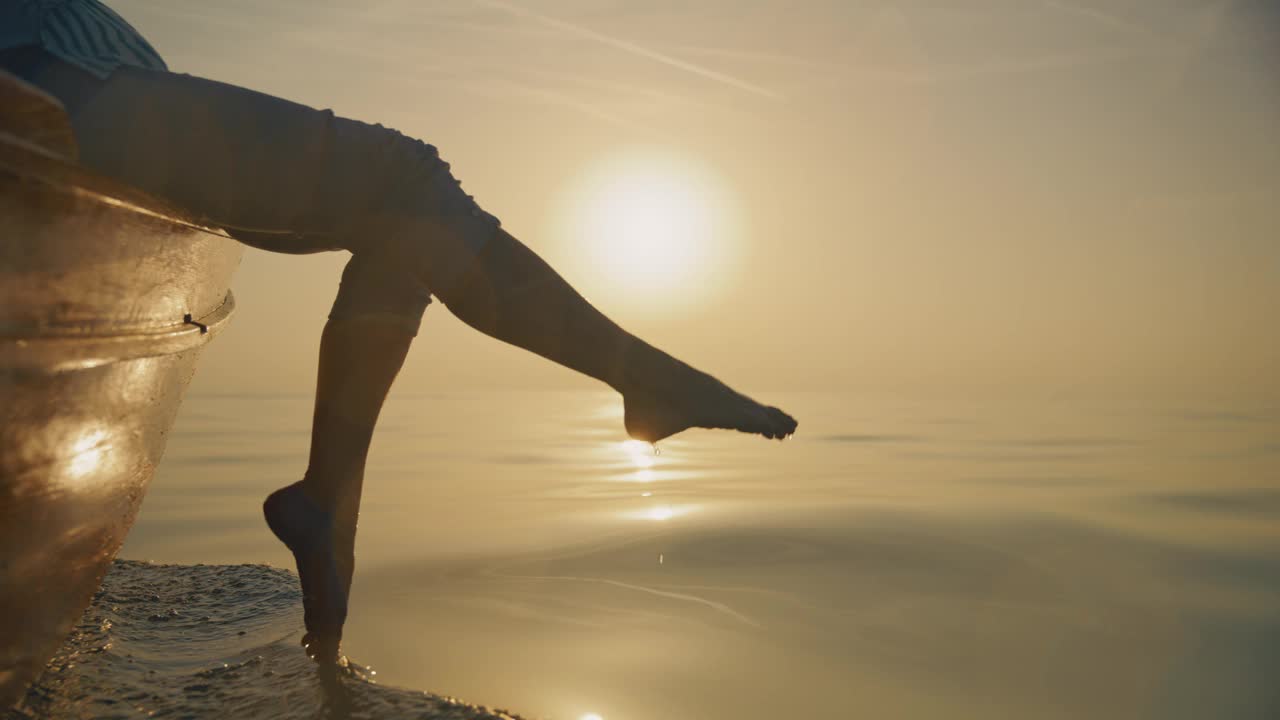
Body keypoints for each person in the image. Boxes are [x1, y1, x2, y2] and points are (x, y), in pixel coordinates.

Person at [0, 0, 798, 662]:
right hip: (43, 75)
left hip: (70, 80)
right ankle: (640, 381)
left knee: (400, 215)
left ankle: (329, 510)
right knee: (401, 187)